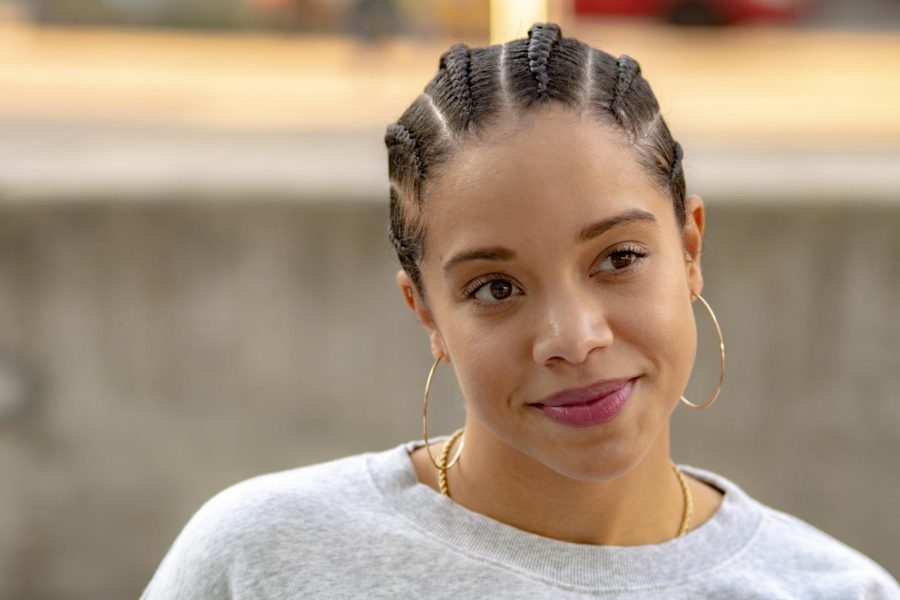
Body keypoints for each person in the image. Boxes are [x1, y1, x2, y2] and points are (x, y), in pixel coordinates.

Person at [141, 22, 900, 598]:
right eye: (494, 288)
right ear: (427, 313)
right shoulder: (264, 560)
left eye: (619, 259)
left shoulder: (837, 590)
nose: (573, 338)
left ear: (691, 248)